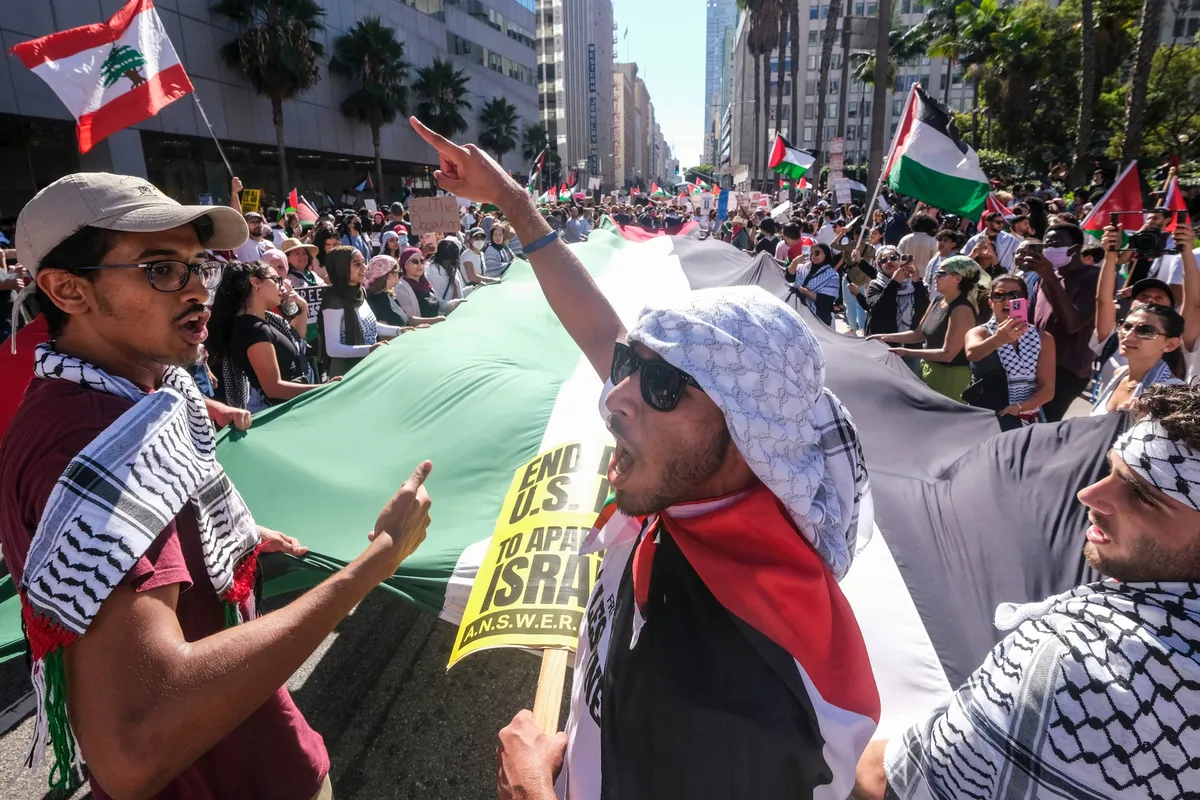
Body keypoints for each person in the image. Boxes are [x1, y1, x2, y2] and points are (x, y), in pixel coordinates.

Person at [410, 117, 879, 800]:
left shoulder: (738, 686)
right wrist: (512, 201)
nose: (614, 397)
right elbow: (600, 328)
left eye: (659, 384)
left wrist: (531, 787)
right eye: (631, 366)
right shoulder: (699, 491)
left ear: (749, 433)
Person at [0, 172, 434, 799]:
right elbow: (133, 747)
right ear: (69, 290)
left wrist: (240, 534)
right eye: (160, 269)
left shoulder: (142, 391)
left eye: (199, 266)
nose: (199, 290)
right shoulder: (83, 443)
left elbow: (160, 520)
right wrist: (378, 560)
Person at [855, 382, 1200, 800]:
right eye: (1110, 470)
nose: (1089, 495)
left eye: (1143, 495)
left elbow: (893, 781)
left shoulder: (1070, 662)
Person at [208, 261, 323, 411]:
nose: (281, 286)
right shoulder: (253, 329)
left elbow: (295, 338)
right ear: (256, 283)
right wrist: (323, 389)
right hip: (280, 412)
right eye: (276, 280)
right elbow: (273, 388)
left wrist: (303, 306)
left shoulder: (263, 321)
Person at [876, 256, 987, 402]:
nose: (935, 277)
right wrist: (883, 337)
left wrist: (907, 352)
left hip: (950, 378)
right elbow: (918, 334)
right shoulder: (937, 300)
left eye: (941, 274)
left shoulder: (962, 309)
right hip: (928, 370)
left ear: (957, 278)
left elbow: (947, 354)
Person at [1025, 223, 1101, 421]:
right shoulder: (1044, 276)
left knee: (1045, 423)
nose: (1049, 249)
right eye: (1047, 244)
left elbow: (1073, 324)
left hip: (1067, 369)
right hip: (1037, 364)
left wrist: (1050, 278)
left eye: (1056, 244)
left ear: (1075, 249)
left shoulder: (1093, 278)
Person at [963, 274, 1057, 429]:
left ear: (1026, 301)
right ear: (990, 302)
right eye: (999, 296)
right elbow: (973, 354)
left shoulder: (1043, 338)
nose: (1007, 301)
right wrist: (998, 339)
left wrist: (1019, 408)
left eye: (1014, 295)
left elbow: (1047, 389)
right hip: (984, 415)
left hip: (1025, 418)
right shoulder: (980, 333)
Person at [318, 246, 402, 377]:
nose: (364, 268)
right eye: (357, 264)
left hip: (368, 365)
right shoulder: (334, 301)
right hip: (347, 372)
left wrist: (400, 331)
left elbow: (370, 326)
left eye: (364, 262)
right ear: (341, 268)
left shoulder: (359, 292)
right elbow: (332, 348)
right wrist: (370, 349)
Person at [1091, 303, 1185, 415]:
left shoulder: (1174, 393)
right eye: (1126, 326)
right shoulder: (1120, 374)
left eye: (1146, 330)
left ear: (1170, 344)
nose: (1128, 335)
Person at [856, 246, 930, 339]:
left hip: (911, 342)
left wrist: (917, 282)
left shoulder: (916, 284)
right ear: (879, 266)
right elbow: (876, 311)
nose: (889, 262)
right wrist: (894, 282)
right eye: (883, 260)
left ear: (900, 261)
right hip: (884, 341)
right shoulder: (875, 285)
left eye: (893, 258)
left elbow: (926, 310)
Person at [363, 254, 437, 330]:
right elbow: (384, 332)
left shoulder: (387, 295)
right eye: (398, 273)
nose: (398, 277)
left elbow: (407, 320)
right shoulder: (374, 302)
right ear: (389, 276)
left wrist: (436, 320)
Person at [396, 245, 457, 321]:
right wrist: (433, 321)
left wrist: (456, 303)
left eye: (422, 261)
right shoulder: (401, 288)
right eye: (414, 261)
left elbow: (440, 304)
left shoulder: (426, 283)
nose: (420, 265)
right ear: (405, 265)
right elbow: (410, 320)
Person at [787, 242, 840, 326]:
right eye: (811, 253)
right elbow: (789, 278)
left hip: (819, 318)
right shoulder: (803, 266)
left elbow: (826, 300)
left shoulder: (832, 275)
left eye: (817, 253)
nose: (813, 256)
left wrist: (805, 292)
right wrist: (795, 262)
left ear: (826, 254)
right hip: (796, 312)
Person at [923, 229, 965, 302]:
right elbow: (926, 281)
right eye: (939, 240)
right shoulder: (933, 260)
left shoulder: (956, 261)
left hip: (950, 301)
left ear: (953, 244)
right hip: (933, 300)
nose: (941, 243)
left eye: (945, 241)